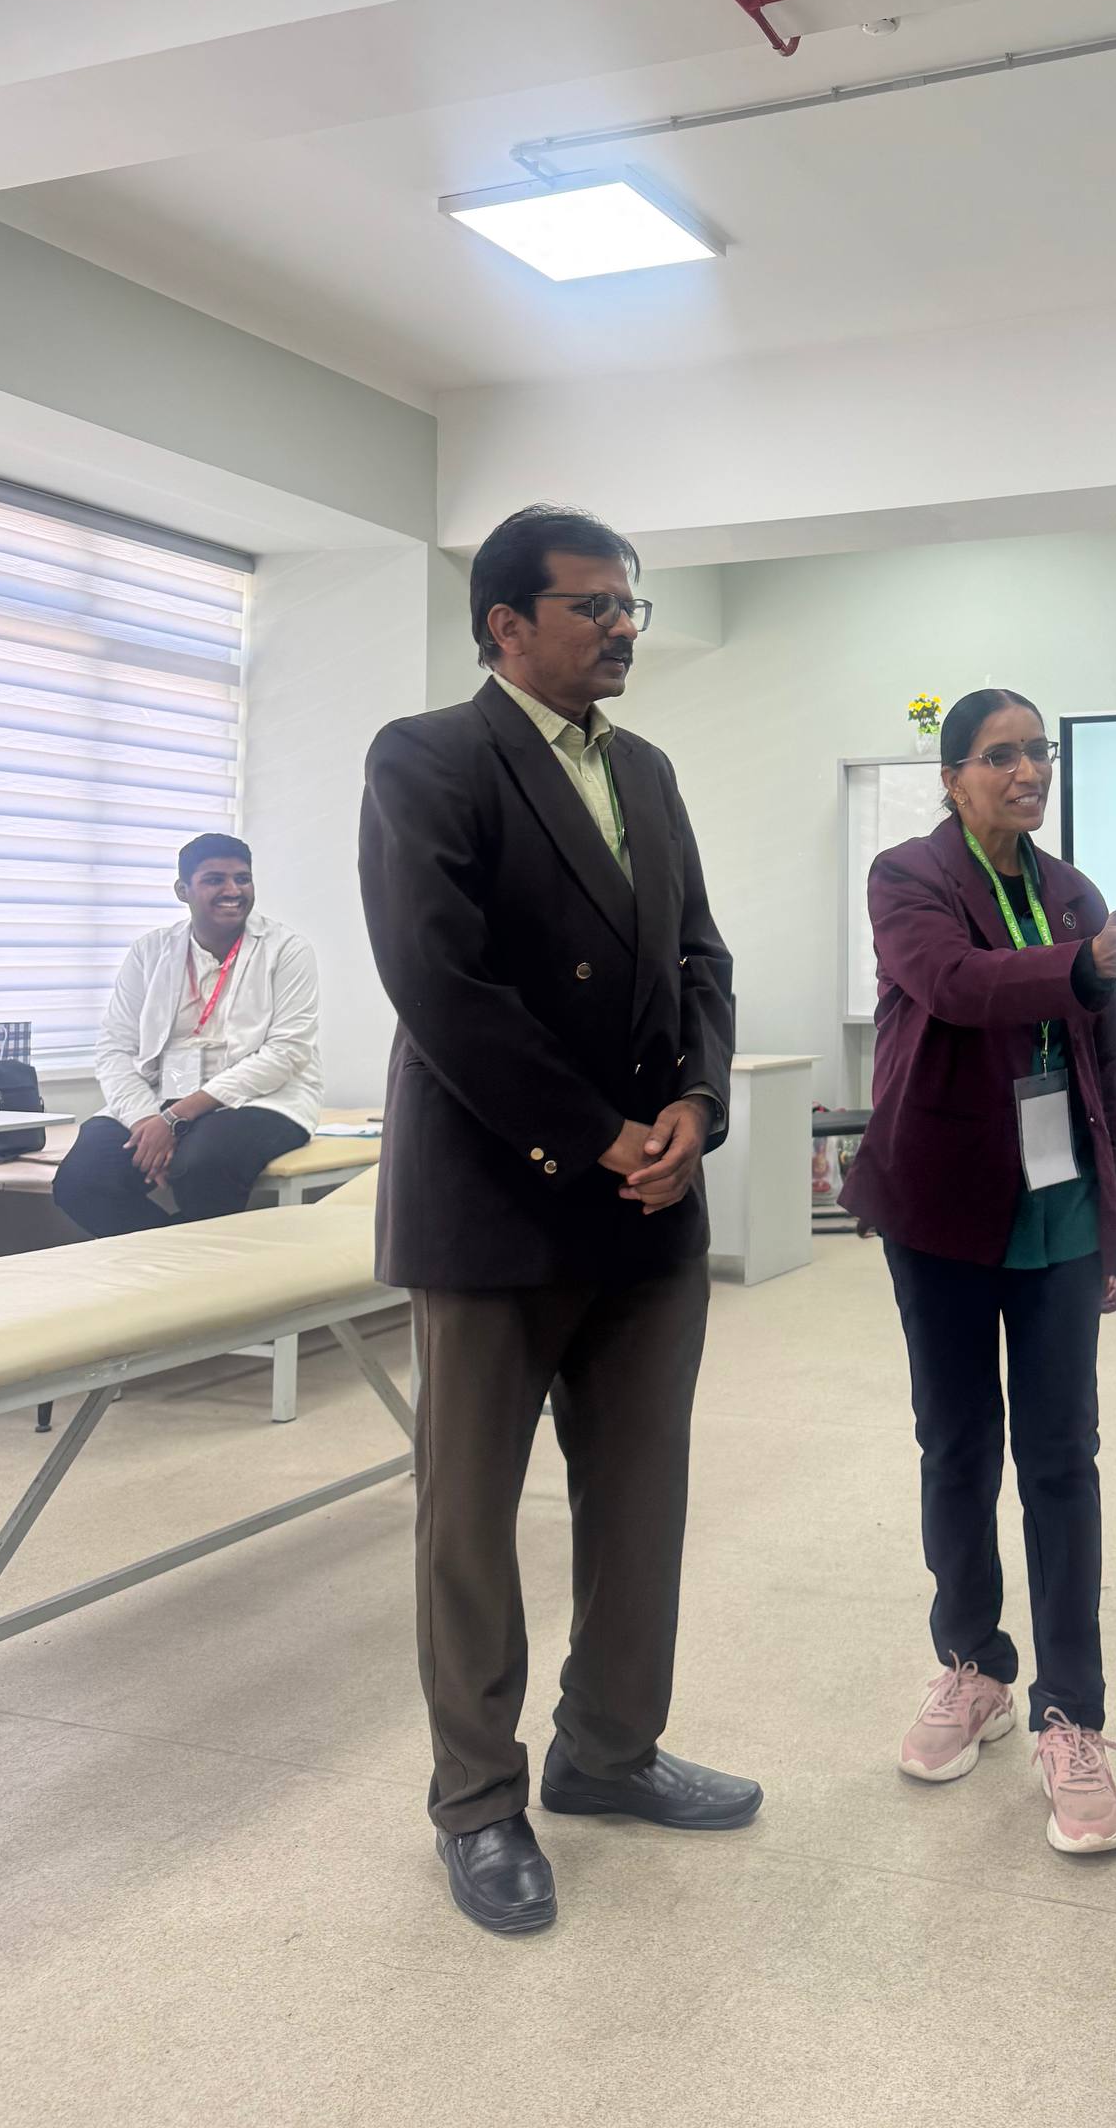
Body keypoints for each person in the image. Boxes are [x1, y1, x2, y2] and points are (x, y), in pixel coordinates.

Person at [358, 503, 757, 1940]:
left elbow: (702, 956)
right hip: (496, 1202)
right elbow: (440, 984)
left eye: (630, 604)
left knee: (642, 1499)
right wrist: (595, 1133)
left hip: (650, 1206)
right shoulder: (428, 759)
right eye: (594, 605)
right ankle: (478, 1799)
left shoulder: (646, 770)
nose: (623, 625)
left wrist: (696, 1105)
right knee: (469, 1521)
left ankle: (611, 1751)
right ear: (504, 625)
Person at [842, 688, 1116, 1856]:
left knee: (1062, 1458)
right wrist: (1085, 960)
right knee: (957, 1444)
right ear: (952, 776)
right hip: (941, 1200)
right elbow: (957, 985)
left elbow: (1100, 1070)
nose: (1028, 769)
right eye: (1000, 754)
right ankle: (973, 1665)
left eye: (1038, 751)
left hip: (1062, 1205)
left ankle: (1070, 1714)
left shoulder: (1073, 889)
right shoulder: (909, 877)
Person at [55, 834, 321, 1238]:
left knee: (200, 1166)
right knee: (83, 1180)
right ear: (183, 890)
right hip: (160, 1098)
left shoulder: (287, 950)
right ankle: (176, 1265)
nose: (232, 890)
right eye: (215, 879)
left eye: (242, 878)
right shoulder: (150, 952)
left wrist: (176, 1117)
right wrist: (147, 1120)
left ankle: (189, 1269)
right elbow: (115, 1048)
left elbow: (286, 1053)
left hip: (260, 1099)